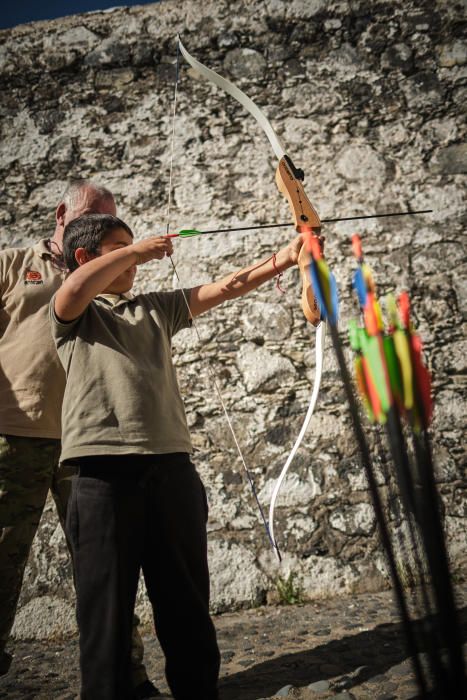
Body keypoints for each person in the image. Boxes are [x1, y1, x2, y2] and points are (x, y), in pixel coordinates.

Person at [49, 212, 315, 700]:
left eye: (132, 247)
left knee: (185, 601)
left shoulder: (154, 308)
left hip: (171, 469)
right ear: (85, 257)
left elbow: (225, 288)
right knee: (105, 612)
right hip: (102, 477)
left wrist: (288, 257)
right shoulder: (74, 314)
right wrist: (138, 250)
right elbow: (71, 290)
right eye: (118, 247)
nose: (133, 257)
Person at [0, 181, 158, 699]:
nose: (98, 224)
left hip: (86, 440)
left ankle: (127, 676)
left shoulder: (106, 273)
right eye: (92, 215)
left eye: (109, 218)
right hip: (13, 437)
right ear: (61, 213)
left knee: (106, 566)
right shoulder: (14, 262)